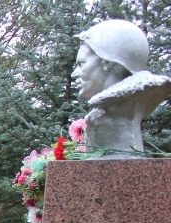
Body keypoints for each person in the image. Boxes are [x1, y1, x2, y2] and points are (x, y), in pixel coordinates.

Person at [72, 19, 171, 153]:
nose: (74, 74)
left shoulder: (132, 99)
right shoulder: (99, 112)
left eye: (81, 64)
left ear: (107, 63)